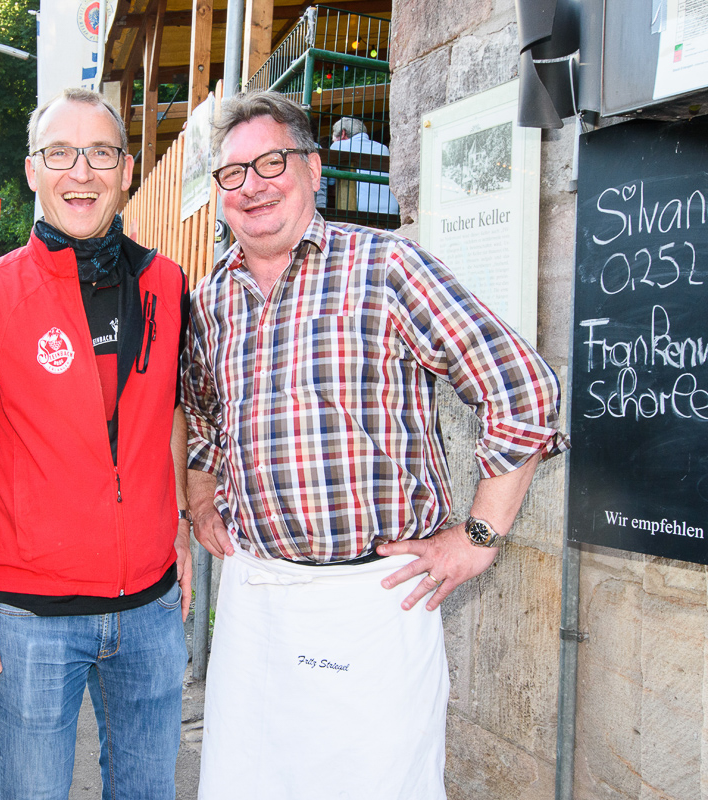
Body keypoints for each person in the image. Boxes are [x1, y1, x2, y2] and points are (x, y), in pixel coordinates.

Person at [184, 91, 568, 799]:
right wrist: (200, 503)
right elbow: (204, 419)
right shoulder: (209, 301)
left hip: (374, 600)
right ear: (219, 194)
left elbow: (524, 389)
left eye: (271, 162)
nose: (253, 186)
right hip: (253, 600)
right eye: (232, 174)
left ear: (313, 168)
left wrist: (479, 534)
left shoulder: (387, 267)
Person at [0, 87, 192, 800]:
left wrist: (175, 525)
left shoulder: (167, 284)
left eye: (100, 153)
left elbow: (171, 411)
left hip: (149, 611)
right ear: (32, 170)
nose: (80, 171)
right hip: (29, 618)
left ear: (127, 168)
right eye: (60, 153)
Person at [328, 116, 399, 215]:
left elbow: (330, 182)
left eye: (334, 139)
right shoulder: (383, 148)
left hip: (358, 211)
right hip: (390, 210)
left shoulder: (338, 146)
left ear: (343, 133)